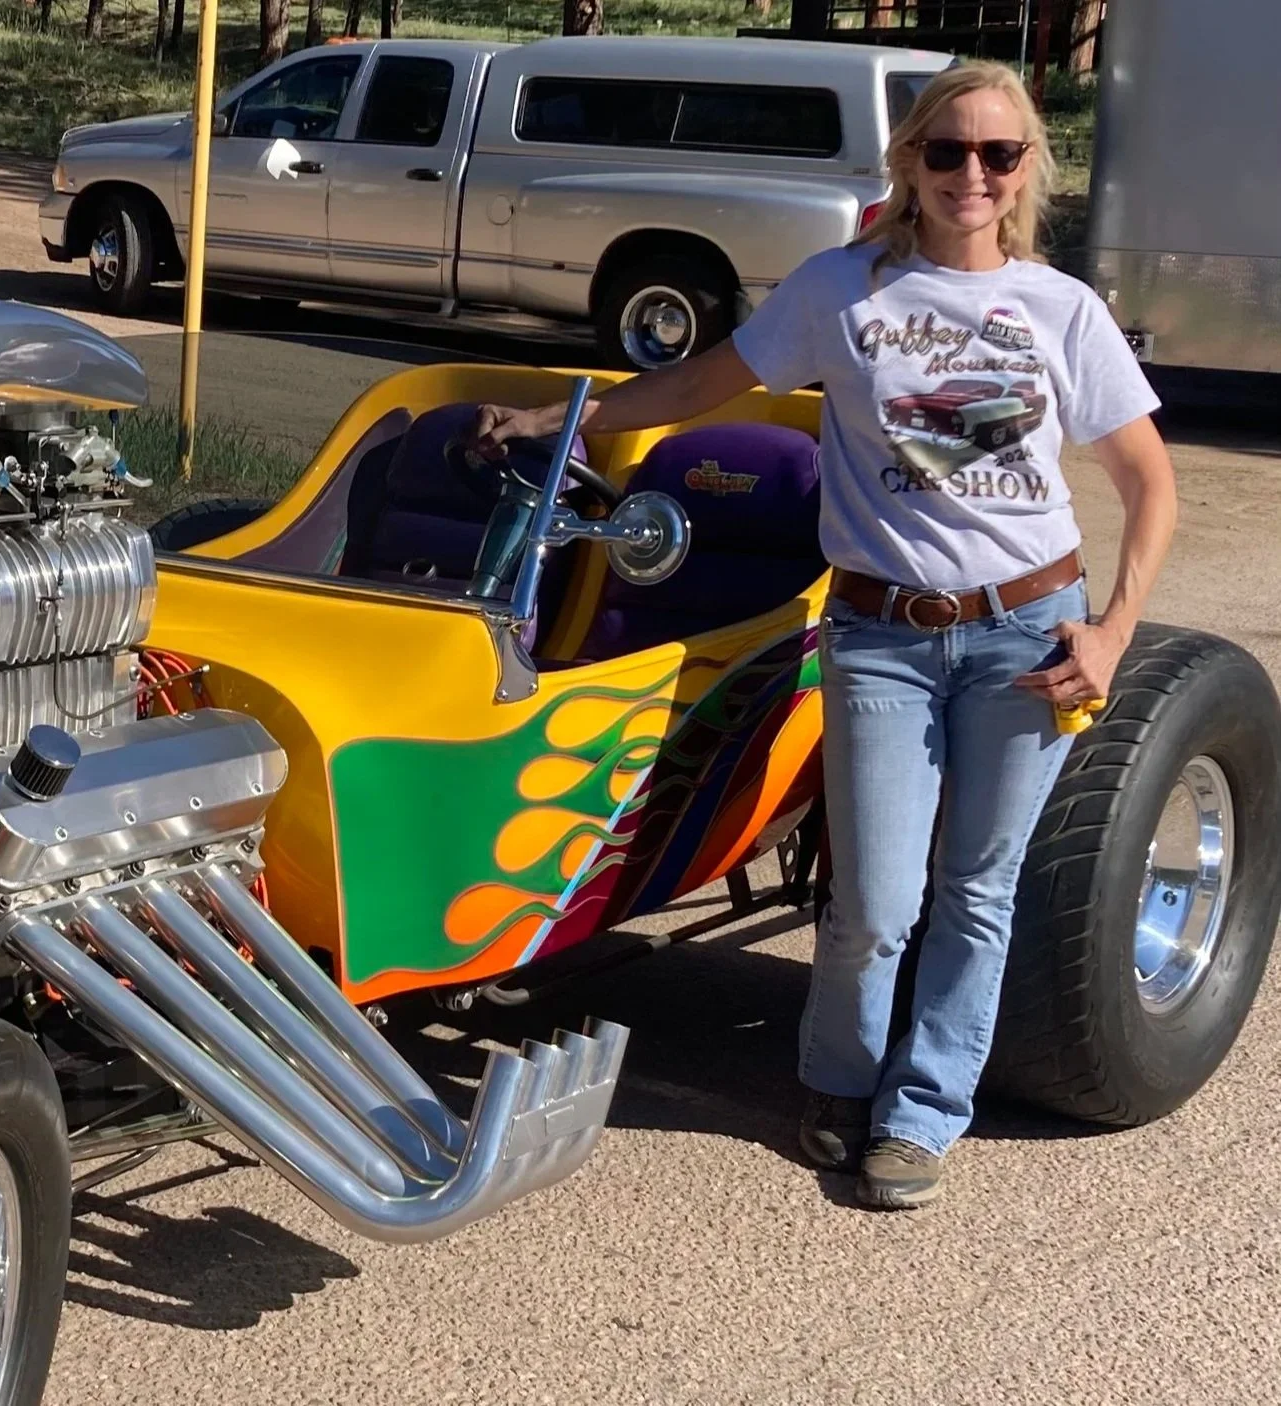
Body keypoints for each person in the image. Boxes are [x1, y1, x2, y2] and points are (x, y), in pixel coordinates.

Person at [465, 62, 1176, 1210]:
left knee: (976, 890)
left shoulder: (1060, 308)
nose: (972, 176)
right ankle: (839, 1082)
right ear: (909, 162)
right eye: (948, 152)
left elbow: (1148, 483)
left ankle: (923, 1111)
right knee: (874, 904)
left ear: (1027, 169)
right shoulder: (842, 290)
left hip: (1028, 636)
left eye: (998, 155)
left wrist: (1110, 633)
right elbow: (702, 382)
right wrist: (565, 419)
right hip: (878, 637)